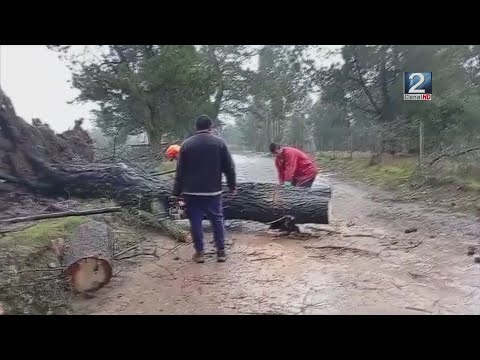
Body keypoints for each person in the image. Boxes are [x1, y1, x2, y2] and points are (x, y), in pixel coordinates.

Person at [173, 115, 236, 263]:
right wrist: (232, 185)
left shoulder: (187, 145)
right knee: (217, 220)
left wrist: (176, 192)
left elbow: (180, 171)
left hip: (191, 192)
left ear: (196, 127)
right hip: (213, 191)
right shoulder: (219, 143)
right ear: (210, 127)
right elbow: (229, 167)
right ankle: (221, 252)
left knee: (195, 221)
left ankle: (200, 253)